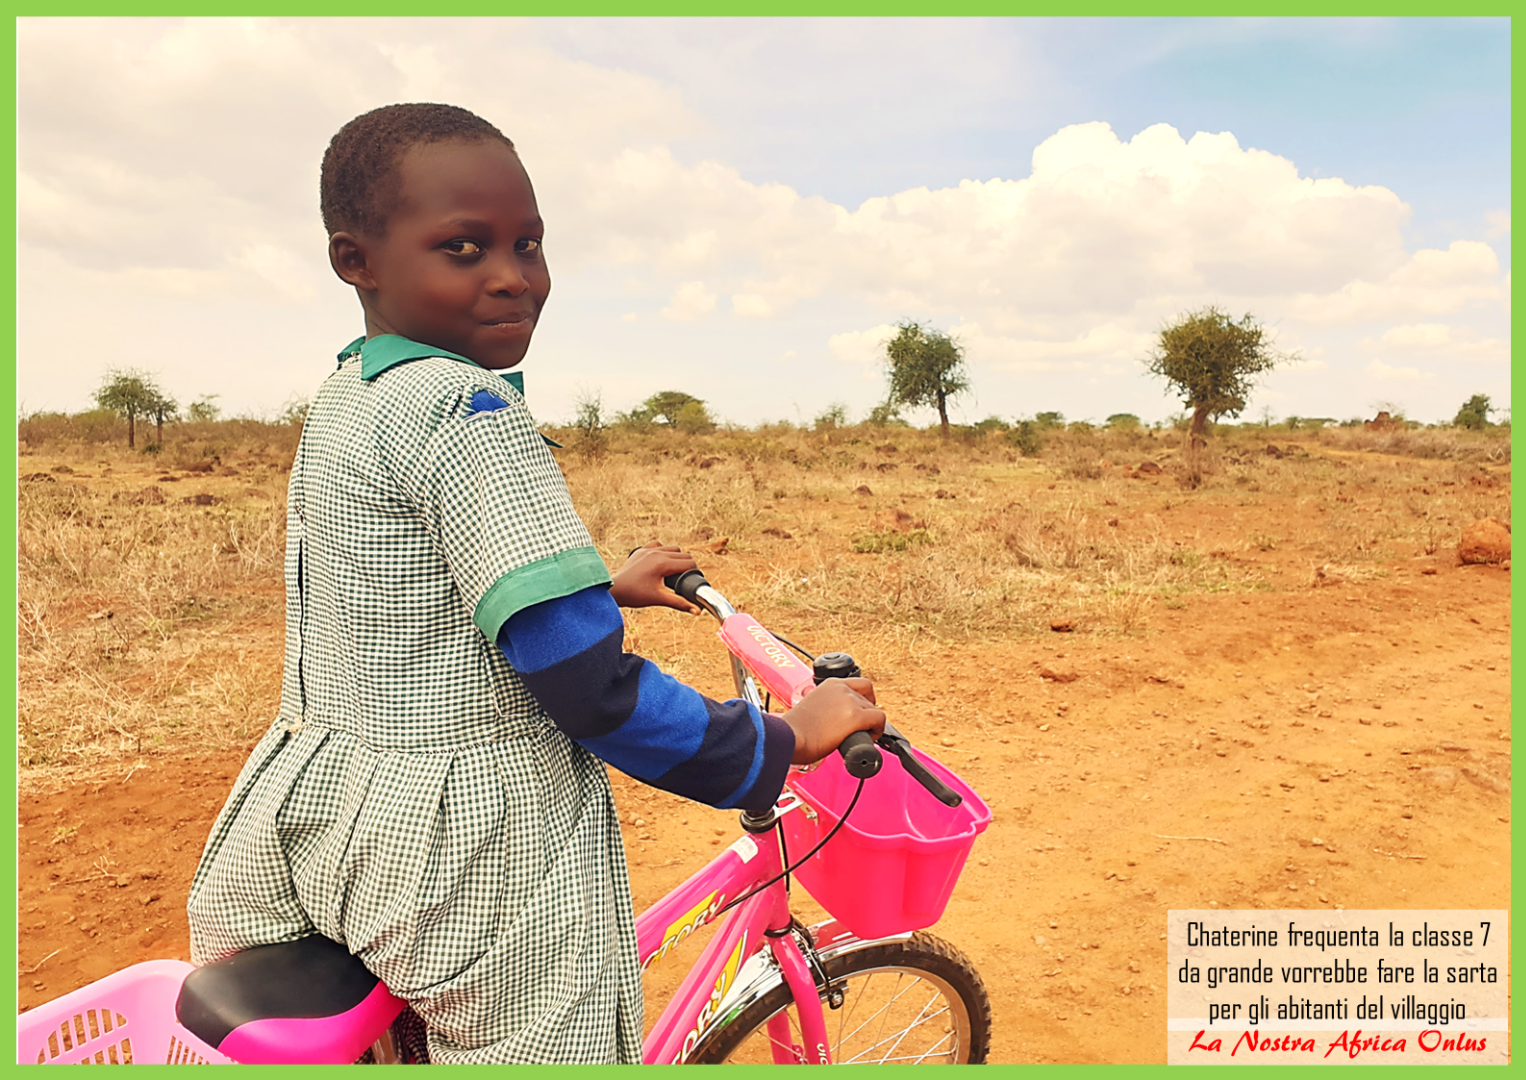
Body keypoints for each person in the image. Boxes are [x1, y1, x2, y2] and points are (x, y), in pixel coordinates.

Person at [185, 102, 885, 1065]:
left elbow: (410, 596)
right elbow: (590, 693)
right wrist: (783, 739)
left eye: (528, 243)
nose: (512, 275)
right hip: (467, 859)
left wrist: (594, 586)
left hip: (313, 816)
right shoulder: (469, 410)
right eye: (464, 247)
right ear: (358, 261)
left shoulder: (355, 393)